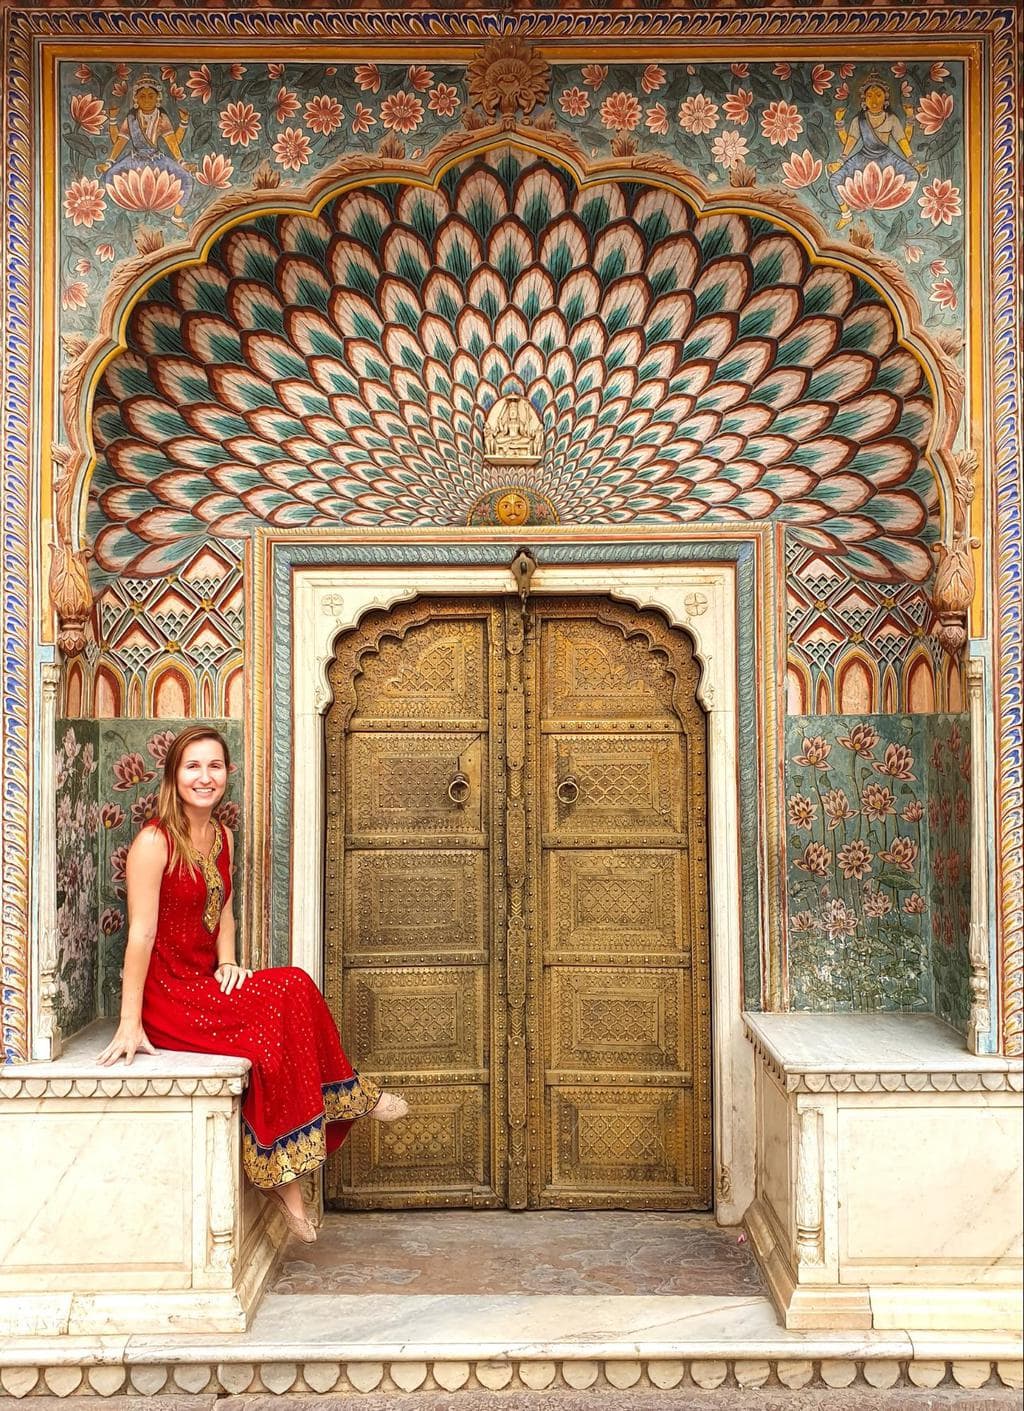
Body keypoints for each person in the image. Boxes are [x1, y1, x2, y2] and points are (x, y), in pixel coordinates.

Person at [97, 725, 407, 1243]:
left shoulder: (221, 835)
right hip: (168, 999)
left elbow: (225, 911)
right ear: (173, 776)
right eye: (192, 766)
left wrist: (227, 962)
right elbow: (141, 934)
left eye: (214, 766)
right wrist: (130, 1023)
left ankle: (335, 1114)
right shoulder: (154, 842)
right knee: (269, 1029)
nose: (204, 777)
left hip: (202, 982)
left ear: (227, 774)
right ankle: (288, 1179)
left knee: (294, 987)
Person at [96, 73, 195, 229]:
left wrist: (183, 161)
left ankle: (176, 216)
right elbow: (119, 141)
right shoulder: (131, 118)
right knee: (109, 177)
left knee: (187, 180)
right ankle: (118, 217)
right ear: (136, 99)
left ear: (158, 98)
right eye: (142, 96)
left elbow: (173, 142)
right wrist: (108, 162)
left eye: (151, 96)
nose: (147, 100)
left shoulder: (161, 118)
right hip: (134, 159)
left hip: (157, 159)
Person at [827, 78, 926, 230]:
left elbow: (903, 141)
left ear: (885, 98)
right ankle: (846, 214)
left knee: (913, 175)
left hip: (886, 157)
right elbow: (850, 142)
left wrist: (914, 163)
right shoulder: (859, 120)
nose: (874, 100)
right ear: (864, 100)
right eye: (870, 96)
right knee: (834, 180)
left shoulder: (891, 119)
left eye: (878, 95)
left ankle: (887, 202)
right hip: (863, 157)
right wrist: (840, 161)